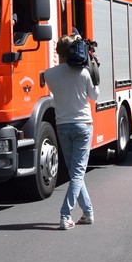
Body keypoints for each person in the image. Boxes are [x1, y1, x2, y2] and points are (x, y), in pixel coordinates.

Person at [42, 34, 100, 230]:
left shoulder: (49, 74)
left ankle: (88, 213)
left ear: (58, 52)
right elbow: (94, 96)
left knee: (75, 172)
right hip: (83, 125)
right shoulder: (83, 73)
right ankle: (65, 215)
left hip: (62, 125)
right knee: (77, 174)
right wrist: (94, 71)